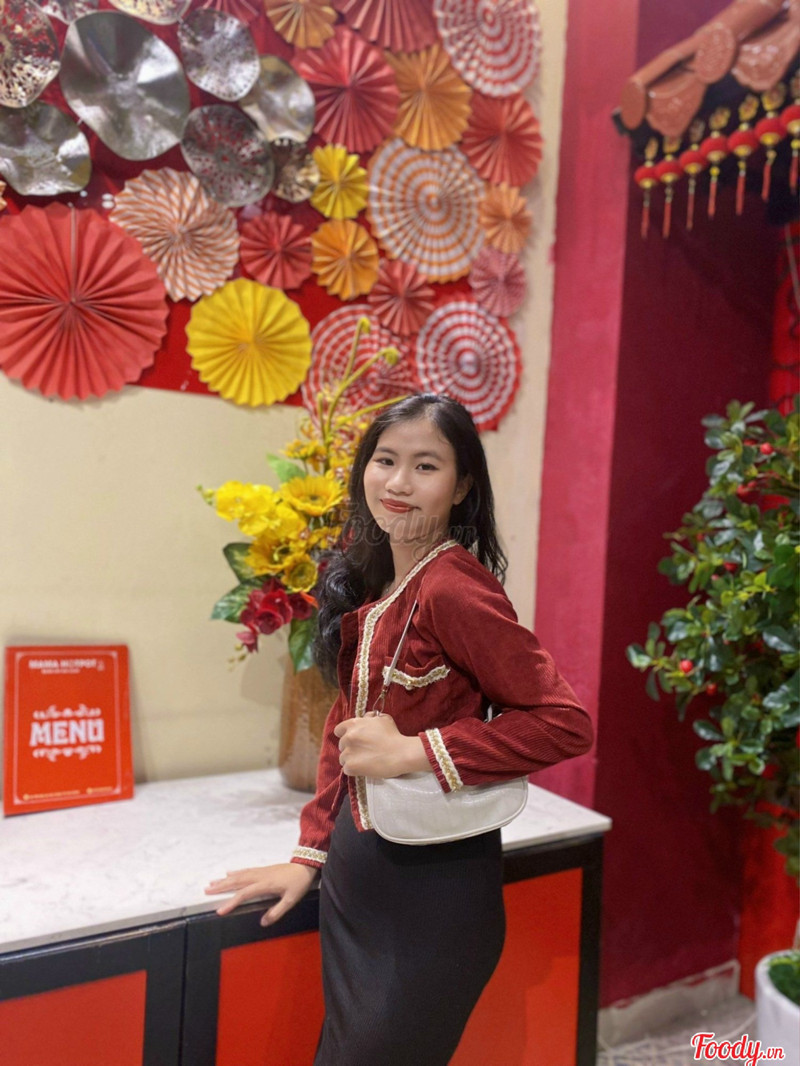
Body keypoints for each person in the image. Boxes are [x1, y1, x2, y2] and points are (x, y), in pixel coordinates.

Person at [205, 393, 593, 1064]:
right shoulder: (377, 581)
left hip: (431, 893)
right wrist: (309, 854)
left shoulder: (453, 588)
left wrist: (417, 750)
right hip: (360, 883)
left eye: (426, 466)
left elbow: (564, 723)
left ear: (462, 485)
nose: (399, 482)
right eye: (385, 460)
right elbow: (345, 730)